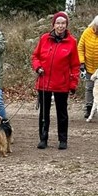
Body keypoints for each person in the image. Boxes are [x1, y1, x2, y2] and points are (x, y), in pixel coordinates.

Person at [31, 11, 79, 150]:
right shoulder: (44, 38)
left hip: (61, 83)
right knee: (44, 113)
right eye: (58, 23)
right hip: (44, 81)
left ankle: (62, 139)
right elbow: (35, 56)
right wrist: (38, 67)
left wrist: (73, 83)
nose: (60, 26)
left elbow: (75, 65)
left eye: (63, 23)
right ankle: (43, 138)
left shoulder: (72, 42)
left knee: (62, 113)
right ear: (53, 25)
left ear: (66, 25)